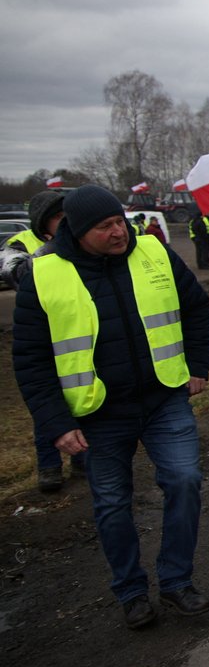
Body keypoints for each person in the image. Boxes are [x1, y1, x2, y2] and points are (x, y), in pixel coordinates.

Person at [13, 184, 209, 629]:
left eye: (120, 221)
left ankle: (177, 581)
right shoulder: (43, 275)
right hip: (99, 414)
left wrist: (198, 364)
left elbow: (196, 306)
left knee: (185, 480)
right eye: (105, 227)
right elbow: (30, 360)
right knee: (110, 503)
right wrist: (55, 424)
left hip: (164, 398)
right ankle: (131, 592)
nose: (119, 232)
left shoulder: (155, 254)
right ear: (78, 231)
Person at [2, 190, 89, 493]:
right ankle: (49, 466)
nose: (66, 222)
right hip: (43, 334)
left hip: (78, 333)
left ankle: (81, 458)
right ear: (43, 223)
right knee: (48, 404)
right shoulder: (22, 244)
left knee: (82, 396)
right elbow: (13, 270)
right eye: (58, 217)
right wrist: (53, 253)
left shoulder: (85, 239)